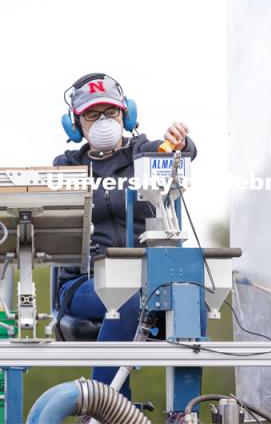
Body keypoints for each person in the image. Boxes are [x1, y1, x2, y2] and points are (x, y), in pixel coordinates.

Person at [53, 73, 197, 399]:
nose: (104, 121)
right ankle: (105, 407)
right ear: (75, 125)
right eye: (92, 114)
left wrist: (181, 143)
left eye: (111, 112)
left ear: (126, 114)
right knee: (126, 297)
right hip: (84, 281)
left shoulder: (144, 153)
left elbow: (181, 155)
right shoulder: (67, 167)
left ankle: (184, 410)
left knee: (192, 299)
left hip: (149, 279)